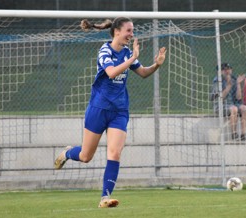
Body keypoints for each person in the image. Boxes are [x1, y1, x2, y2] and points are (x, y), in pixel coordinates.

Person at [54, 17, 167, 208]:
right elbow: (111, 72)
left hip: (119, 111)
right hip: (98, 109)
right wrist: (131, 58)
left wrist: (157, 64)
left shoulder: (127, 52)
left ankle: (105, 197)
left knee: (114, 153)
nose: (132, 35)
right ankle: (67, 153)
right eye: (129, 31)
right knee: (85, 156)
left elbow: (143, 73)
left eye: (132, 31)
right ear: (117, 32)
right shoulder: (105, 50)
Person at [210, 63, 246, 141]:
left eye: (229, 69)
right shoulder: (217, 81)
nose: (227, 71)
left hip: (233, 104)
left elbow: (238, 97)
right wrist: (228, 86)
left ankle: (244, 134)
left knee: (245, 108)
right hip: (221, 106)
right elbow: (220, 98)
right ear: (220, 72)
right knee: (234, 109)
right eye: (225, 70)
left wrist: (238, 84)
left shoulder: (234, 79)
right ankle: (234, 134)